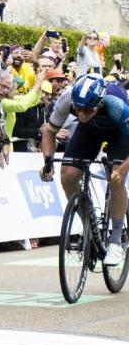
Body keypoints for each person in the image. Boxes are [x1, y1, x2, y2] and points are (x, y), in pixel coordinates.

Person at [40, 74, 129, 265]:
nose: (80, 114)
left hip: (120, 133)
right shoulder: (68, 97)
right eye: (77, 108)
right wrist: (47, 161)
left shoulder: (115, 103)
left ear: (99, 103)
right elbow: (49, 131)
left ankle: (115, 241)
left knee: (116, 180)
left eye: (87, 110)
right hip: (89, 131)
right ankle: (89, 224)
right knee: (68, 175)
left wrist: (120, 171)